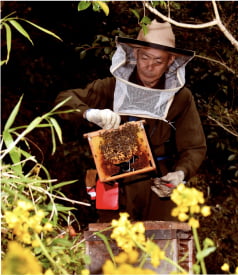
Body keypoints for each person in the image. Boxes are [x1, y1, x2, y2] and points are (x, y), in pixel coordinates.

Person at [54, 20, 206, 222]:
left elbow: (194, 146)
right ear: (135, 54)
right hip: (115, 183)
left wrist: (180, 174)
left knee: (163, 245)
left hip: (159, 186)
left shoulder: (180, 97)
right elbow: (64, 101)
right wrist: (90, 113)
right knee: (111, 245)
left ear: (170, 61)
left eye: (158, 61)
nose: (149, 66)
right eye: (145, 57)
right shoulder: (111, 87)